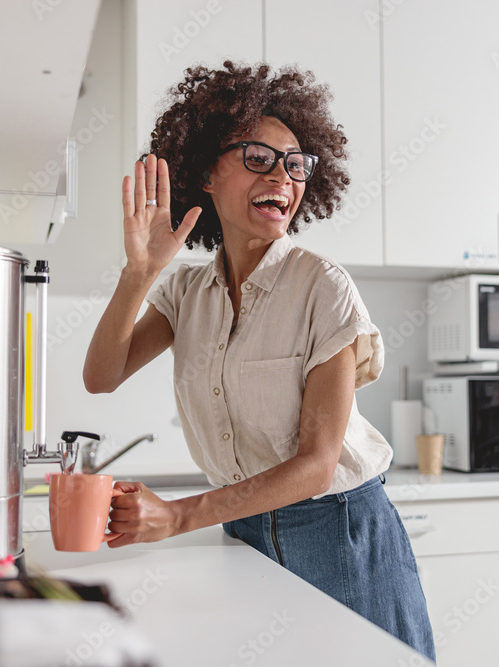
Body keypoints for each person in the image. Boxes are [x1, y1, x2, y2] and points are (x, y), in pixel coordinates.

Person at [82, 61, 435, 661]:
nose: (283, 176)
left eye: (295, 163)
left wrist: (175, 516)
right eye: (257, 157)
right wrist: (140, 273)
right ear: (206, 175)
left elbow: (317, 466)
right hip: (244, 531)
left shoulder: (323, 286)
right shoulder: (185, 293)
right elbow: (102, 376)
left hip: (340, 531)